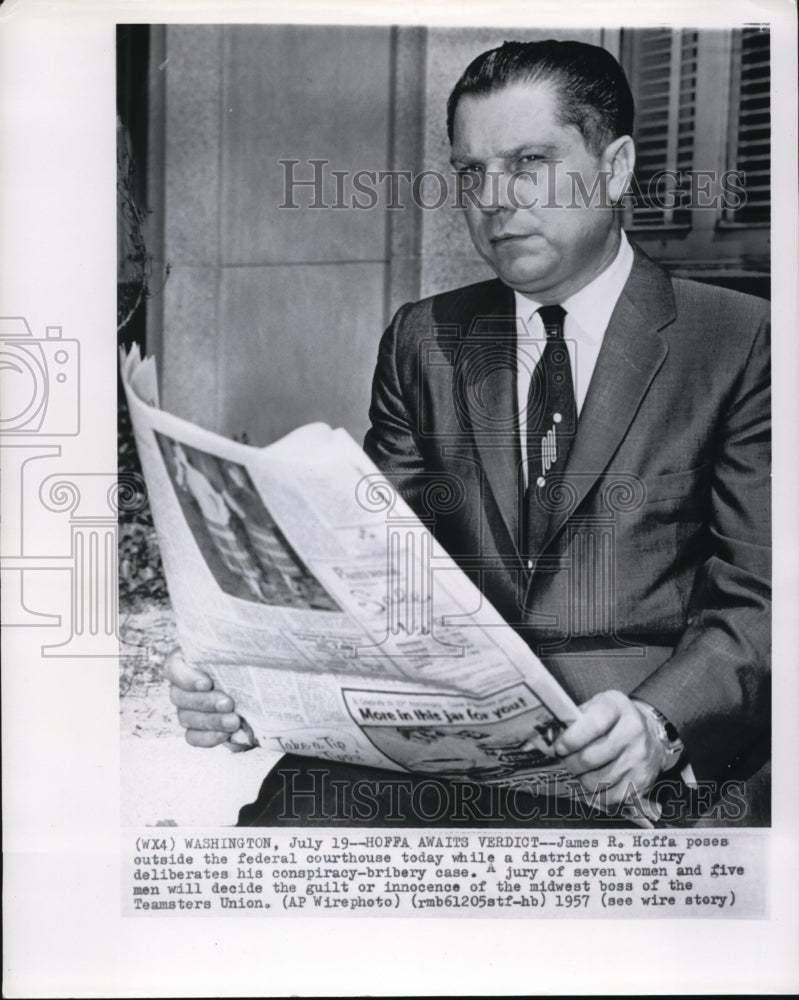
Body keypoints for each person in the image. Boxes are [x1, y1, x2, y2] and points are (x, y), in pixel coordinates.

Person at [166, 39, 770, 826]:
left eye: (528, 161)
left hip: (628, 754)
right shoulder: (426, 339)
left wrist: (659, 724)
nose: (493, 197)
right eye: (470, 172)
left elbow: (762, 598)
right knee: (285, 846)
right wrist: (246, 677)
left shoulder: (738, 340)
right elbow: (372, 573)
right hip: (439, 740)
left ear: (614, 167)